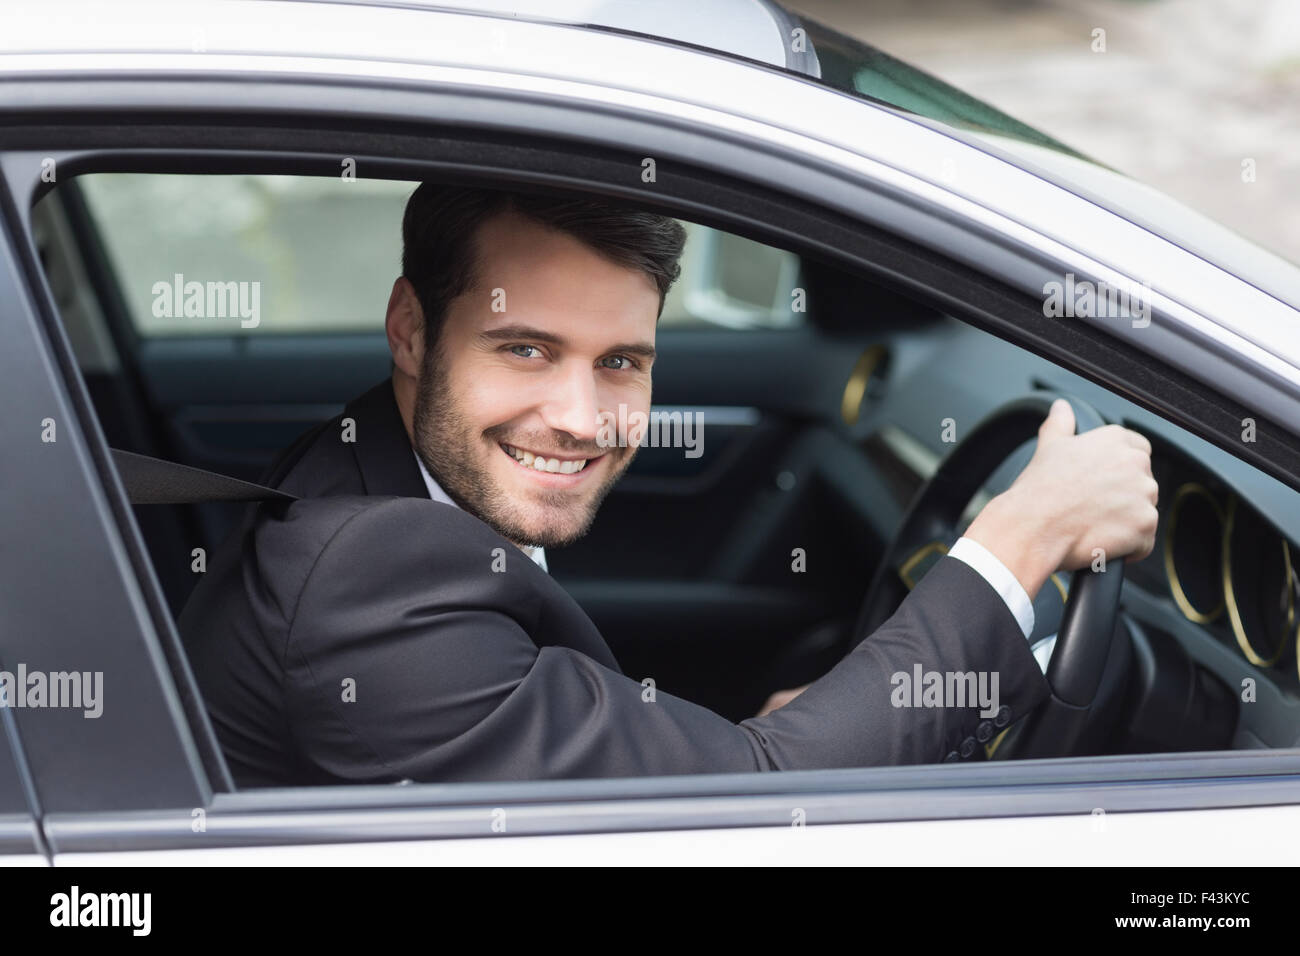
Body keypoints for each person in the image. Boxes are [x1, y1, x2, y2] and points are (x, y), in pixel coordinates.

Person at [179, 183, 1158, 787]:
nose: (579, 414)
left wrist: (768, 723)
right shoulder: (364, 578)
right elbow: (752, 802)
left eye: (621, 361)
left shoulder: (373, 468)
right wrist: (1023, 537)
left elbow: (558, 707)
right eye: (524, 348)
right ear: (410, 329)